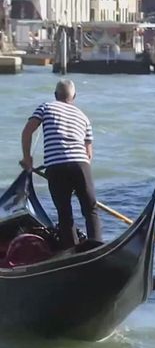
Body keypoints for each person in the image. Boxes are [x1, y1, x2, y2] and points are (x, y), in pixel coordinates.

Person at [20, 79, 102, 249]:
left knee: (64, 212)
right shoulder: (83, 117)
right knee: (90, 209)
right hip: (81, 165)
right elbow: (88, 154)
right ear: (74, 96)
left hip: (56, 167)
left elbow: (28, 131)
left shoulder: (46, 107)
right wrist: (80, 182)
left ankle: (71, 250)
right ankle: (97, 245)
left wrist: (27, 158)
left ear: (55, 95)